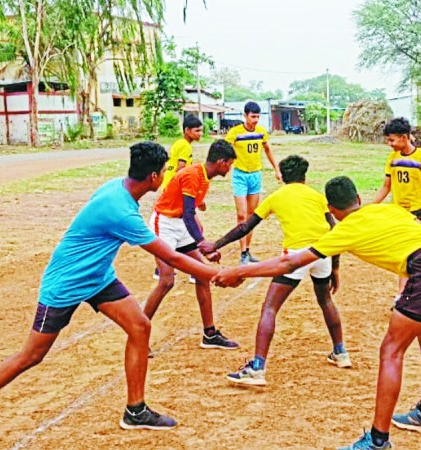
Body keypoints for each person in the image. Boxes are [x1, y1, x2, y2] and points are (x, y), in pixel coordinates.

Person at [0, 142, 241, 447]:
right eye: (165, 171)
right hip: (65, 283)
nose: (168, 175)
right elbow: (171, 256)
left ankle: (135, 410)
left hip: (99, 277)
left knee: (140, 326)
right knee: (32, 355)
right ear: (154, 177)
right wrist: (218, 273)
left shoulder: (119, 189)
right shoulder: (121, 211)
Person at [213, 176, 421, 450]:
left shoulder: (344, 230)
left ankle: (378, 441)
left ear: (332, 210)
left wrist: (239, 270)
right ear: (358, 199)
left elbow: (289, 263)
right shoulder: (387, 209)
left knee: (391, 350)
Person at [200, 155, 350, 386]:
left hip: (296, 256)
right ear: (304, 176)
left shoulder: (276, 197)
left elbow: (245, 227)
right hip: (322, 253)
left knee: (270, 307)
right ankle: (340, 352)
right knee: (325, 300)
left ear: (282, 176)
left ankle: (257, 368)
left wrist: (216, 244)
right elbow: (333, 230)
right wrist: (335, 267)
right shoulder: (317, 196)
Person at [145, 139, 239, 351]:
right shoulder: (192, 174)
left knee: (202, 275)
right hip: (165, 224)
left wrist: (203, 242)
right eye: (230, 164)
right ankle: (138, 332)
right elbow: (188, 213)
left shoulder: (204, 177)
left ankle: (210, 334)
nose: (230, 168)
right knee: (166, 281)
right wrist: (201, 242)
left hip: (180, 225)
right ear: (222, 162)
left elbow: (190, 212)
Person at [372, 117, 421, 297]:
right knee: (403, 252)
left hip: (415, 212)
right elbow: (386, 187)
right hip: (397, 212)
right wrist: (370, 207)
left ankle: (407, 292)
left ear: (404, 138)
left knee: (410, 251)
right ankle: (403, 293)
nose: (389, 144)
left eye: (392, 140)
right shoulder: (392, 158)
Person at [224, 101, 282, 264]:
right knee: (241, 214)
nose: (255, 120)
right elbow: (225, 150)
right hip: (240, 176)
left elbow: (268, 150)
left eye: (257, 117)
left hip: (256, 176)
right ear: (245, 116)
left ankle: (247, 250)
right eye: (252, 117)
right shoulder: (235, 132)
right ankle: (243, 252)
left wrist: (276, 169)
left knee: (251, 216)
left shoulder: (261, 132)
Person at [161, 115, 203, 189]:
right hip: (173, 187)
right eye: (197, 131)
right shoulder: (185, 145)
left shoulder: (179, 142)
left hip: (168, 184)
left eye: (201, 130)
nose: (200, 134)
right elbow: (180, 169)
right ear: (187, 130)